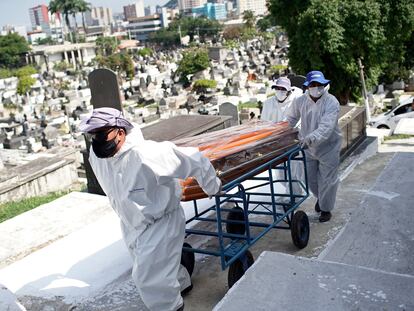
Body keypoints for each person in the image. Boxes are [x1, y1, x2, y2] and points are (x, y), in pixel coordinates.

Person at [79, 107, 221, 311]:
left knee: (149, 280)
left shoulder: (146, 154)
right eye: (93, 135)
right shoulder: (98, 155)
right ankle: (182, 283)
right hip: (131, 221)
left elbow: (194, 159)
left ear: (120, 131)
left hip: (160, 221)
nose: (97, 140)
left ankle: (172, 307)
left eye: (102, 134)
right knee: (154, 268)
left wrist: (212, 187)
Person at [286, 71, 342, 222]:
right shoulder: (300, 101)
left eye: (319, 85)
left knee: (328, 180)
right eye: (313, 85)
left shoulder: (331, 102)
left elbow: (327, 127)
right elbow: (291, 118)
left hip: (328, 147)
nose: (316, 87)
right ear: (307, 86)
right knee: (311, 179)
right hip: (308, 148)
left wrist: (311, 138)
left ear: (324, 85)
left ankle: (326, 209)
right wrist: (282, 132)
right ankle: (321, 199)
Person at [261, 76, 304, 200]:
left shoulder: (296, 101)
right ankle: (290, 191)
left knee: (294, 171)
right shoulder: (269, 103)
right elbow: (264, 123)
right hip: (275, 143)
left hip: (292, 141)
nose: (280, 91)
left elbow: (299, 121)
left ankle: (293, 195)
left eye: (283, 89)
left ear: (289, 90)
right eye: (277, 88)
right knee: (280, 173)